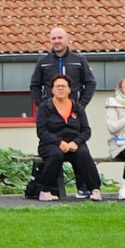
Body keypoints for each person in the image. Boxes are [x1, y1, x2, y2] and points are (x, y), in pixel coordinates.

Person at [30, 28, 97, 197]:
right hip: (52, 116)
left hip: (72, 113)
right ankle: (47, 189)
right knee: (55, 152)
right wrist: (43, 105)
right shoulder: (43, 62)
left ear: (67, 39)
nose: (57, 41)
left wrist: (80, 105)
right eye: (54, 38)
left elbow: (90, 83)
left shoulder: (79, 60)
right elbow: (35, 85)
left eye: (60, 38)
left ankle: (85, 187)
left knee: (80, 150)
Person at [35, 74, 103, 202]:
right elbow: (42, 132)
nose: (61, 88)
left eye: (63, 86)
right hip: (51, 144)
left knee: (83, 153)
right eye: (57, 86)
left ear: (69, 89)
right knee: (55, 155)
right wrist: (59, 142)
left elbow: (86, 131)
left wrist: (76, 142)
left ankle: (95, 189)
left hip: (74, 143)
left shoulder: (78, 108)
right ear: (52, 90)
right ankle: (45, 190)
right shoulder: (44, 107)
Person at [104, 77, 125, 201]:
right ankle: (124, 186)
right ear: (120, 89)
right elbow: (112, 128)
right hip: (120, 143)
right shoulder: (112, 103)